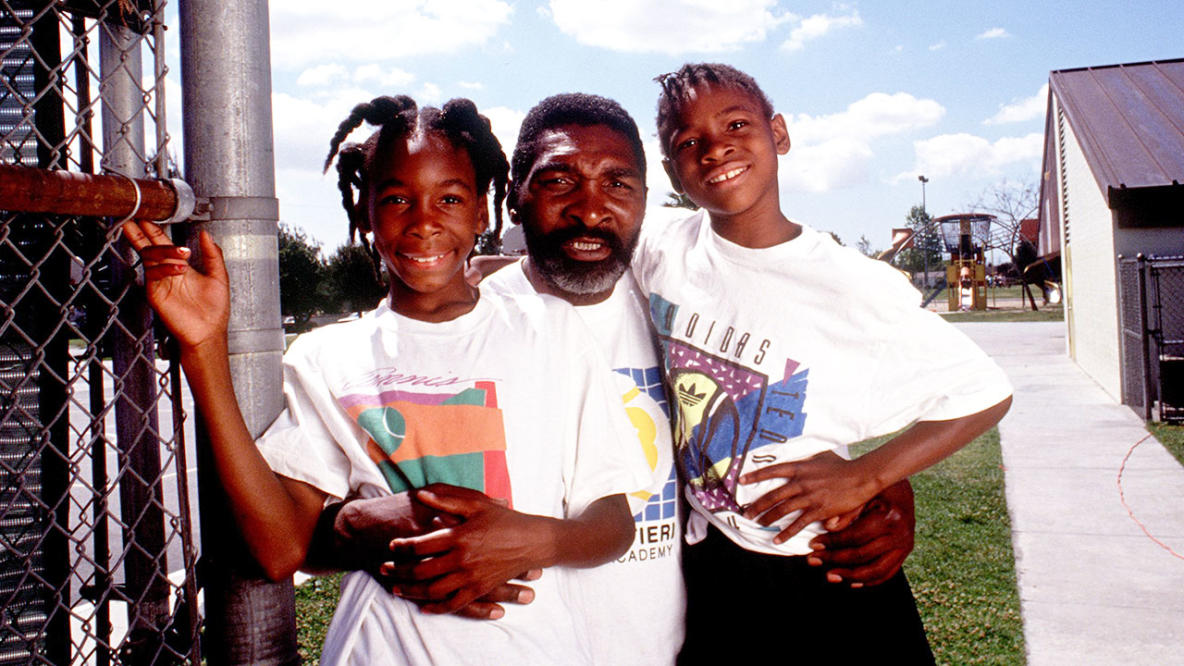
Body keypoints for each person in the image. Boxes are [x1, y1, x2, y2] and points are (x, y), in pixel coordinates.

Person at [338, 92, 925, 664]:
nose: (590, 210)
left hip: (675, 639)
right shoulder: (472, 325)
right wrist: (358, 523)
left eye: (617, 184)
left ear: (647, 201)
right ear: (513, 199)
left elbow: (797, 404)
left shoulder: (681, 301)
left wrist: (884, 483)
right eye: (558, 180)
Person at [123, 95, 650, 665]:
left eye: (449, 198)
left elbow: (612, 524)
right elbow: (278, 551)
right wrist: (203, 350)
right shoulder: (329, 356)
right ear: (365, 215)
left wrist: (529, 538)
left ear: (482, 212)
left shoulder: (554, 330)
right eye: (397, 199)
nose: (424, 222)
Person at [637, 63, 1013, 662]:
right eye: (689, 142)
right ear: (672, 172)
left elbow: (982, 392)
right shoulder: (662, 246)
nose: (716, 149)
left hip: (819, 569)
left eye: (737, 123)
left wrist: (868, 477)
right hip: (714, 562)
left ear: (778, 133)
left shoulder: (849, 284)